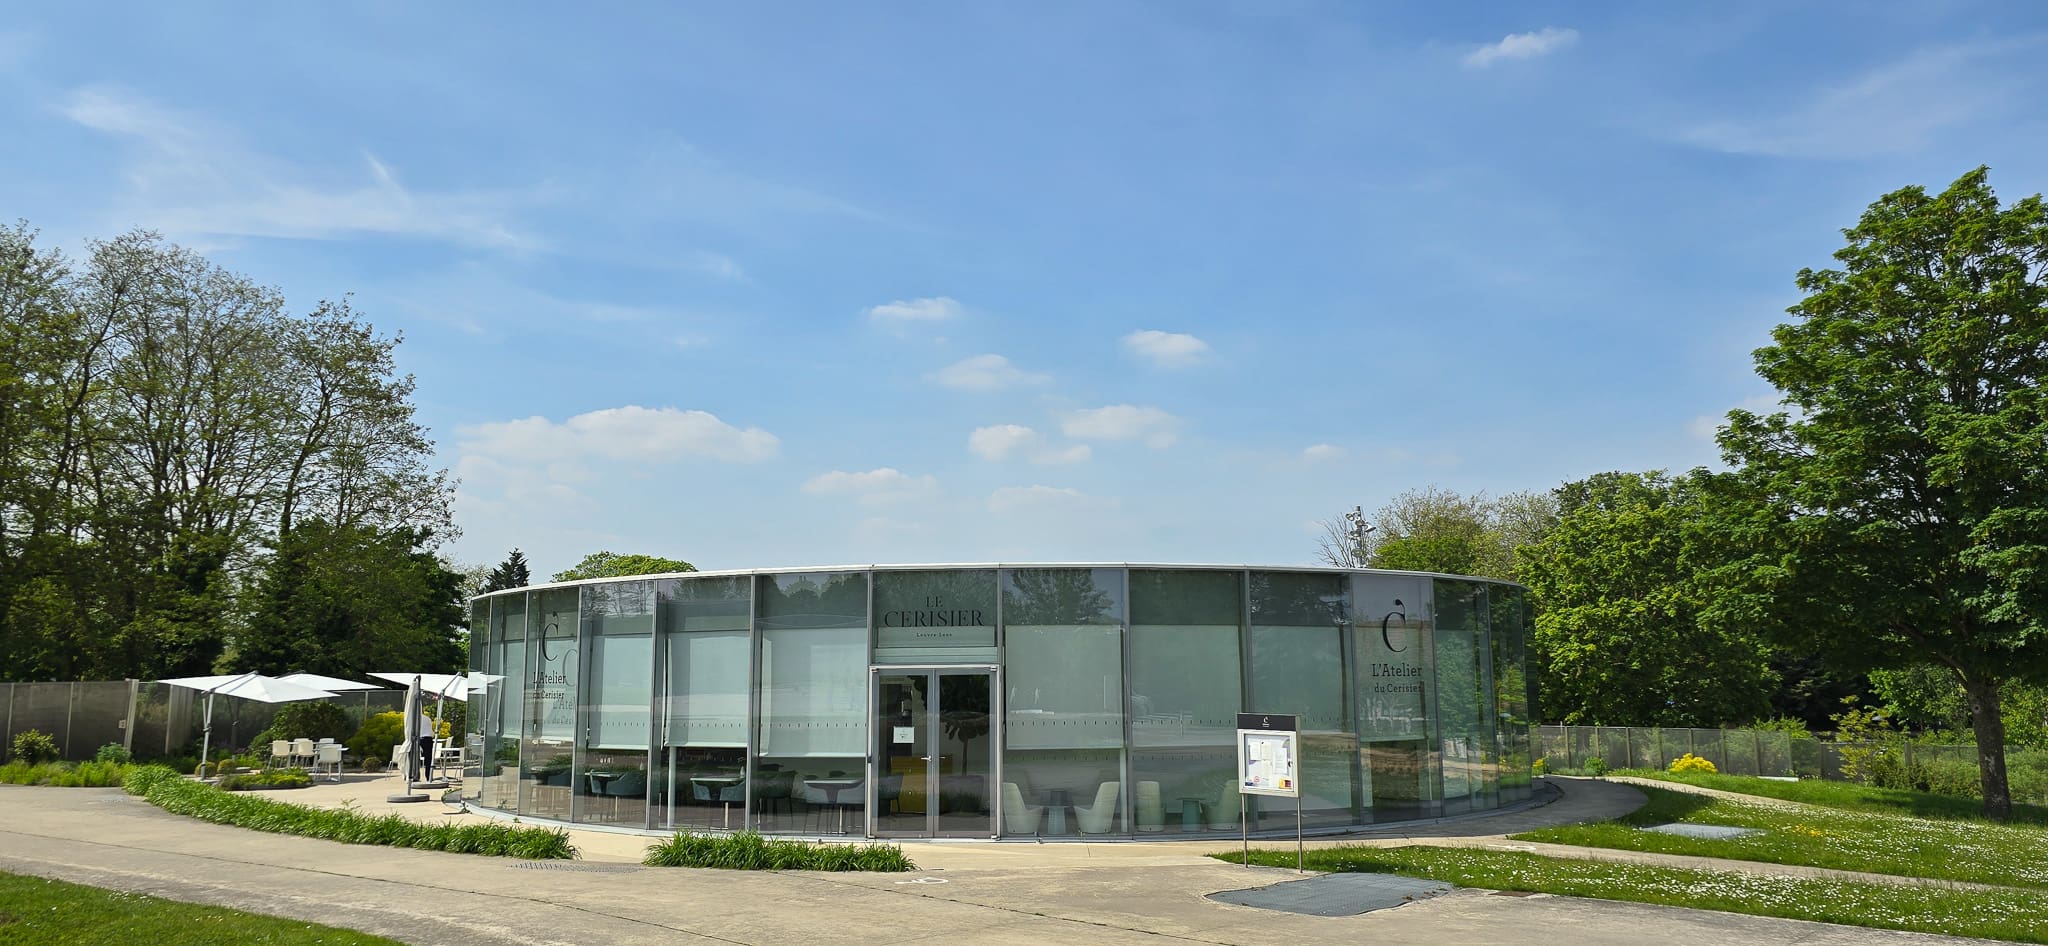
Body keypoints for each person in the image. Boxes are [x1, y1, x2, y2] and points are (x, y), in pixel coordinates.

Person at [414, 703, 436, 782]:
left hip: (418, 739)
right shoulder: (427, 719)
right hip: (428, 739)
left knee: (414, 758)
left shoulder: (415, 719)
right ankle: (428, 776)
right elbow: (431, 731)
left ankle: (414, 775)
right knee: (428, 759)